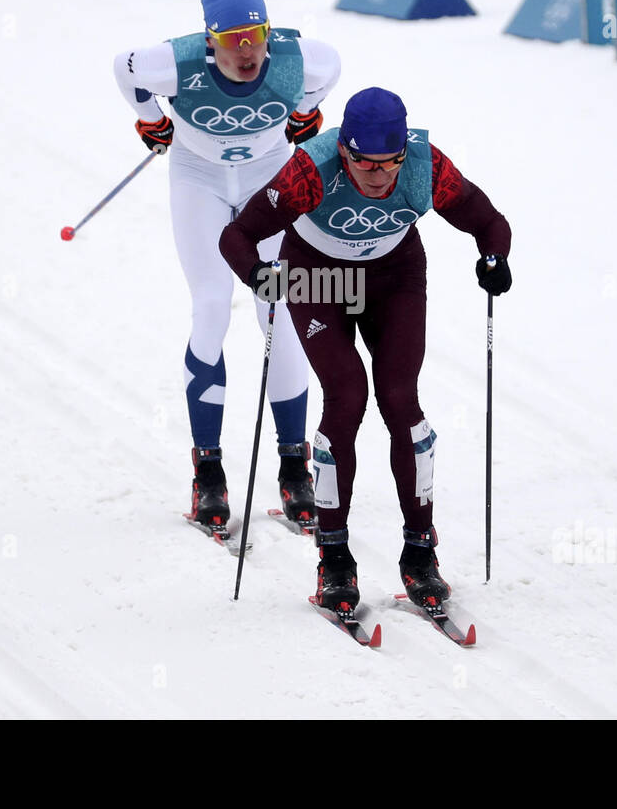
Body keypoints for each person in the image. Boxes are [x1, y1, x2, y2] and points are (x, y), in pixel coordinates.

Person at [218, 87, 513, 614]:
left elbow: (488, 220)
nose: (378, 176)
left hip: (393, 275)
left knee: (401, 401)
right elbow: (237, 236)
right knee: (347, 396)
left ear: (403, 152)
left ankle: (421, 552)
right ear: (344, 151)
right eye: (363, 163)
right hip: (318, 275)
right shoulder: (310, 170)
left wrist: (493, 257)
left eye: (389, 164)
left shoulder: (427, 166)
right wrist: (257, 274)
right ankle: (334, 558)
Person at [112, 0, 342, 537]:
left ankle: (294, 468)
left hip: (268, 179)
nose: (246, 50)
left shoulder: (294, 58)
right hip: (199, 182)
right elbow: (125, 66)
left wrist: (306, 112)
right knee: (213, 306)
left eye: (255, 35)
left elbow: (331, 64)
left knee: (281, 308)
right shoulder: (178, 61)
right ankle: (208, 471)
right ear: (208, 40)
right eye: (232, 38)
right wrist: (152, 120)